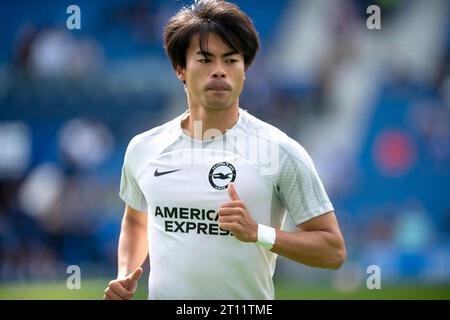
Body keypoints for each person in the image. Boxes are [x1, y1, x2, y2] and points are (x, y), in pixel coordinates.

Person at [104, 0, 346, 300]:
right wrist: (125, 273)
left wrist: (259, 233)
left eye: (231, 60)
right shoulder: (144, 148)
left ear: (245, 70)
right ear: (180, 68)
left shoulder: (279, 150)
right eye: (205, 60)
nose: (219, 71)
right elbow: (137, 220)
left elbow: (333, 250)